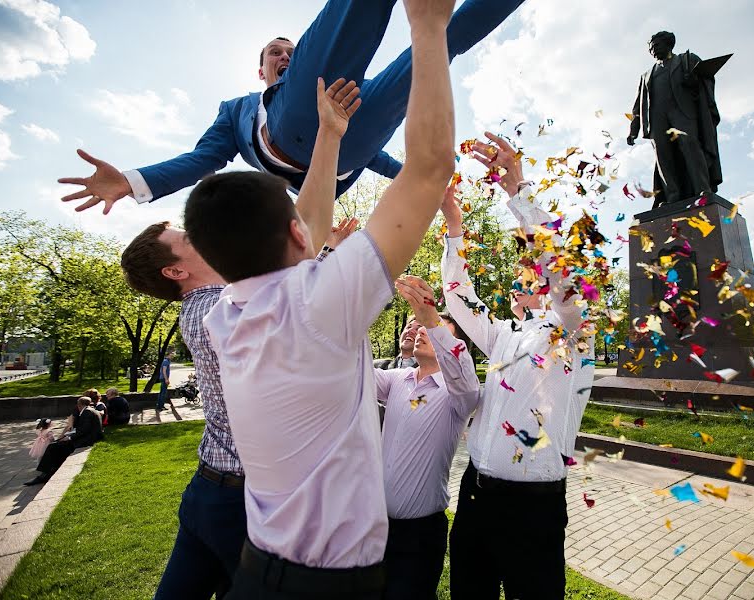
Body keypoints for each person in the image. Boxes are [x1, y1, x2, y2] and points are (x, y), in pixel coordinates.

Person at [185, 0, 456, 595]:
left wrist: (330, 137)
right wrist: (430, 28)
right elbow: (429, 170)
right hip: (327, 586)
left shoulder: (227, 314)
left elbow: (305, 223)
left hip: (259, 572)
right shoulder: (321, 303)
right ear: (292, 235)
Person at [119, 77, 363, 600]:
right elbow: (305, 228)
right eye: (185, 238)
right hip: (237, 504)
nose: (198, 235)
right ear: (174, 273)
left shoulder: (225, 304)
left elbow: (298, 248)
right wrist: (328, 137)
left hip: (209, 487)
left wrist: (320, 253)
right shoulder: (213, 312)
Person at [57, 0, 523, 214]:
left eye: (289, 51)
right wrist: (133, 181)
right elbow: (202, 161)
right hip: (305, 134)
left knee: (428, 34)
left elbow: (379, 159)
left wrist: (413, 175)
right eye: (273, 53)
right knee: (429, 39)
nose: (283, 55)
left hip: (349, 134)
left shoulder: (308, 66)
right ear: (262, 73)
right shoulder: (236, 110)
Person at [441, 134, 596, 599]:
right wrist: (453, 226)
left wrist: (519, 193)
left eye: (525, 272)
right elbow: (459, 297)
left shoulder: (574, 331)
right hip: (475, 493)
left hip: (534, 508)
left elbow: (565, 278)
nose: (515, 278)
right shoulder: (503, 334)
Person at [377, 275, 479, 600]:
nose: (422, 331)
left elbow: (463, 373)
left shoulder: (458, 395)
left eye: (434, 333)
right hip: (375, 528)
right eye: (422, 328)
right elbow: (351, 368)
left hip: (419, 536)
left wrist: (430, 316)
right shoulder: (396, 380)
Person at [627, 31, 723, 206]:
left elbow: (706, 79)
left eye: (656, 45)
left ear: (668, 44)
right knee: (664, 157)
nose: (652, 50)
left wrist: (693, 81)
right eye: (650, 47)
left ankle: (703, 189)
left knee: (691, 147)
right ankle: (672, 196)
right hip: (657, 120)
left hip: (683, 114)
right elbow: (637, 106)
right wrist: (633, 130)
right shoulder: (646, 75)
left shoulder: (687, 60)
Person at [24, 397, 103, 486]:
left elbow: (84, 430)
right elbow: (84, 429)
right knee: (57, 445)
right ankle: (47, 472)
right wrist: (68, 435)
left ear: (79, 405)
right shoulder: (89, 410)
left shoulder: (87, 412)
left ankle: (44, 474)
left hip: (87, 440)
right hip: (88, 437)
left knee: (53, 447)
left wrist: (69, 437)